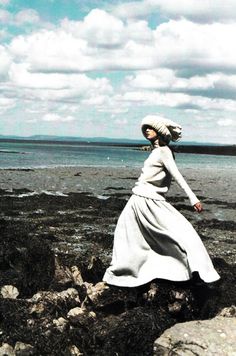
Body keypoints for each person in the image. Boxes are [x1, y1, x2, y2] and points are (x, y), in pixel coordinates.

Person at [103, 115, 220, 287]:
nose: (146, 131)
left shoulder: (164, 152)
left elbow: (176, 175)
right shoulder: (155, 152)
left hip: (151, 201)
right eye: (144, 129)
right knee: (127, 235)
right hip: (138, 199)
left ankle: (188, 270)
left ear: (159, 131)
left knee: (177, 233)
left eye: (150, 128)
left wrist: (192, 197)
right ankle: (123, 274)